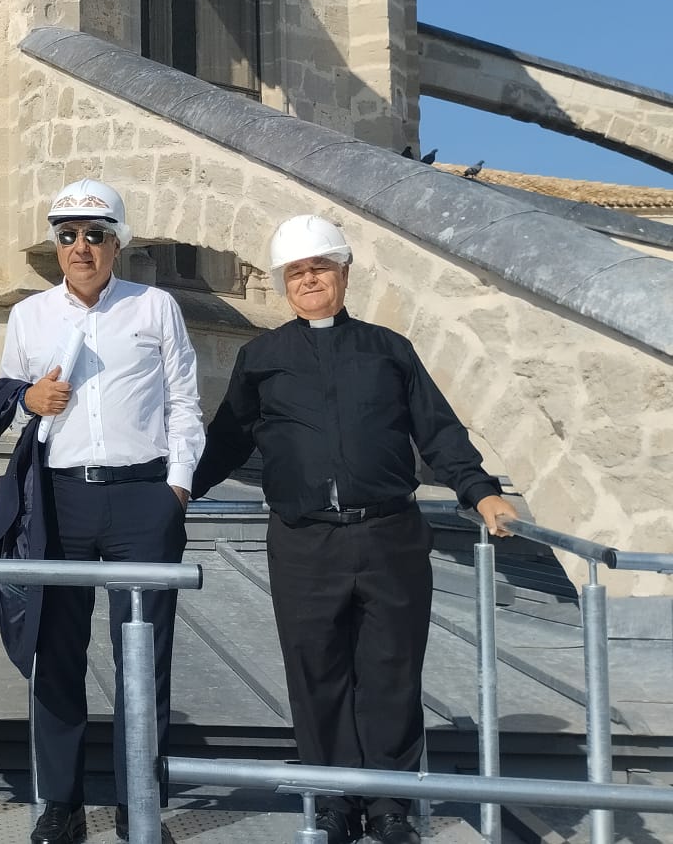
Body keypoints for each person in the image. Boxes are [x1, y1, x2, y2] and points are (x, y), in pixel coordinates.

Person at [192, 215, 517, 844]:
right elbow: (227, 439)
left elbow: (437, 429)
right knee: (316, 671)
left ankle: (390, 805)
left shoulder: (388, 349)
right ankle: (337, 799)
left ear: (343, 273)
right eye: (297, 272)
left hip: (389, 532)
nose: (309, 280)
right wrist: (180, 491)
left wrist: (481, 493)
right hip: (304, 539)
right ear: (285, 283)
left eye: (320, 268)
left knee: (392, 668)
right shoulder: (261, 358)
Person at [1, 179, 203, 844]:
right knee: (56, 650)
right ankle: (59, 802)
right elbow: (11, 402)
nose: (79, 247)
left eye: (94, 234)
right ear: (54, 245)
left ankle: (137, 800)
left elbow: (183, 404)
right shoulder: (29, 317)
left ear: (118, 242)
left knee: (142, 653)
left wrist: (174, 488)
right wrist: (30, 401)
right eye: (67, 235)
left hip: (142, 497)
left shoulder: (155, 308)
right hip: (60, 499)